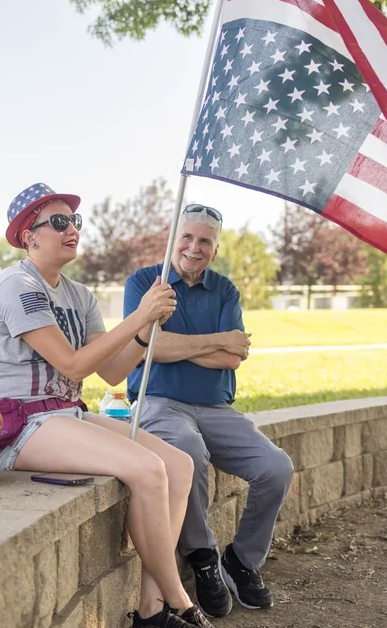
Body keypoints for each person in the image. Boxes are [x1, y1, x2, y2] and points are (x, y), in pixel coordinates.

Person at [0, 182, 215, 628]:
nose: (72, 229)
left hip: (65, 415)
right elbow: (72, 363)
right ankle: (181, 602)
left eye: (75, 221)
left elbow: (112, 371)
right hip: (18, 424)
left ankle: (151, 609)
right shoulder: (17, 285)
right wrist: (137, 315)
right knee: (147, 469)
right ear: (30, 236)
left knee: (178, 465)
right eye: (59, 222)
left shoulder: (79, 295)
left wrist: (146, 330)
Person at [123, 204, 294, 618]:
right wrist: (217, 340)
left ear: (214, 250)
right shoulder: (147, 282)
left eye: (204, 241)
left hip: (216, 407)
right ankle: (203, 556)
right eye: (187, 237)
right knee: (187, 449)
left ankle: (241, 561)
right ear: (173, 238)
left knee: (277, 467)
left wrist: (180, 346)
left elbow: (233, 359)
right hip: (160, 405)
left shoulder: (225, 290)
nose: (193, 247)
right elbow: (150, 347)